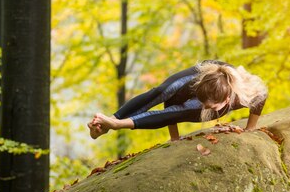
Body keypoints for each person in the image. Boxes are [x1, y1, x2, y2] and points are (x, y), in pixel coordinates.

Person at [87, 60, 268, 141]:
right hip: (203, 75)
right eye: (203, 102)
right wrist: (174, 137)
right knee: (162, 91)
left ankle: (115, 124)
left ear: (227, 100)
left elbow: (262, 96)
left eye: (208, 105)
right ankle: (106, 124)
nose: (205, 107)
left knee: (181, 112)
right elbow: (171, 101)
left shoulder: (243, 94)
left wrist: (250, 129)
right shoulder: (196, 86)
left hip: (220, 89)